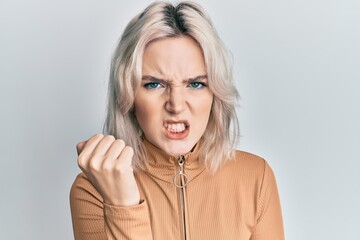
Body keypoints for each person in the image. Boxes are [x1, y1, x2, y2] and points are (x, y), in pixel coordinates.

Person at [70, 1, 284, 239]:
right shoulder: (92, 189)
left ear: (215, 93)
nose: (176, 104)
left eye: (195, 84)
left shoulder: (256, 176)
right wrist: (123, 205)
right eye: (154, 84)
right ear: (128, 96)